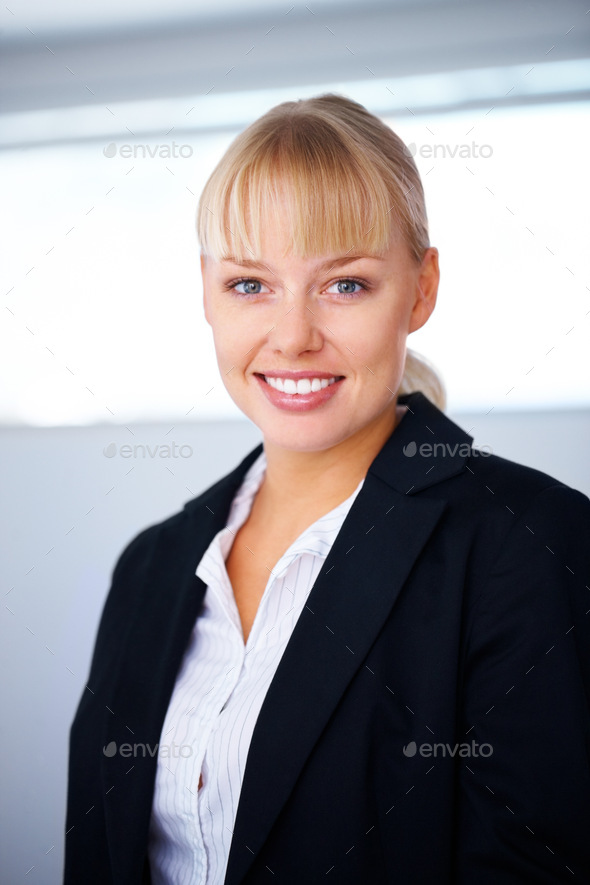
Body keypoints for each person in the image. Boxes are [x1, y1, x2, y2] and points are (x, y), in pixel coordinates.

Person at [64, 94, 590, 884]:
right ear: (206, 291)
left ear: (420, 289)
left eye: (345, 285)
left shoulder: (533, 546)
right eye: (251, 285)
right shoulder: (151, 567)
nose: (293, 335)